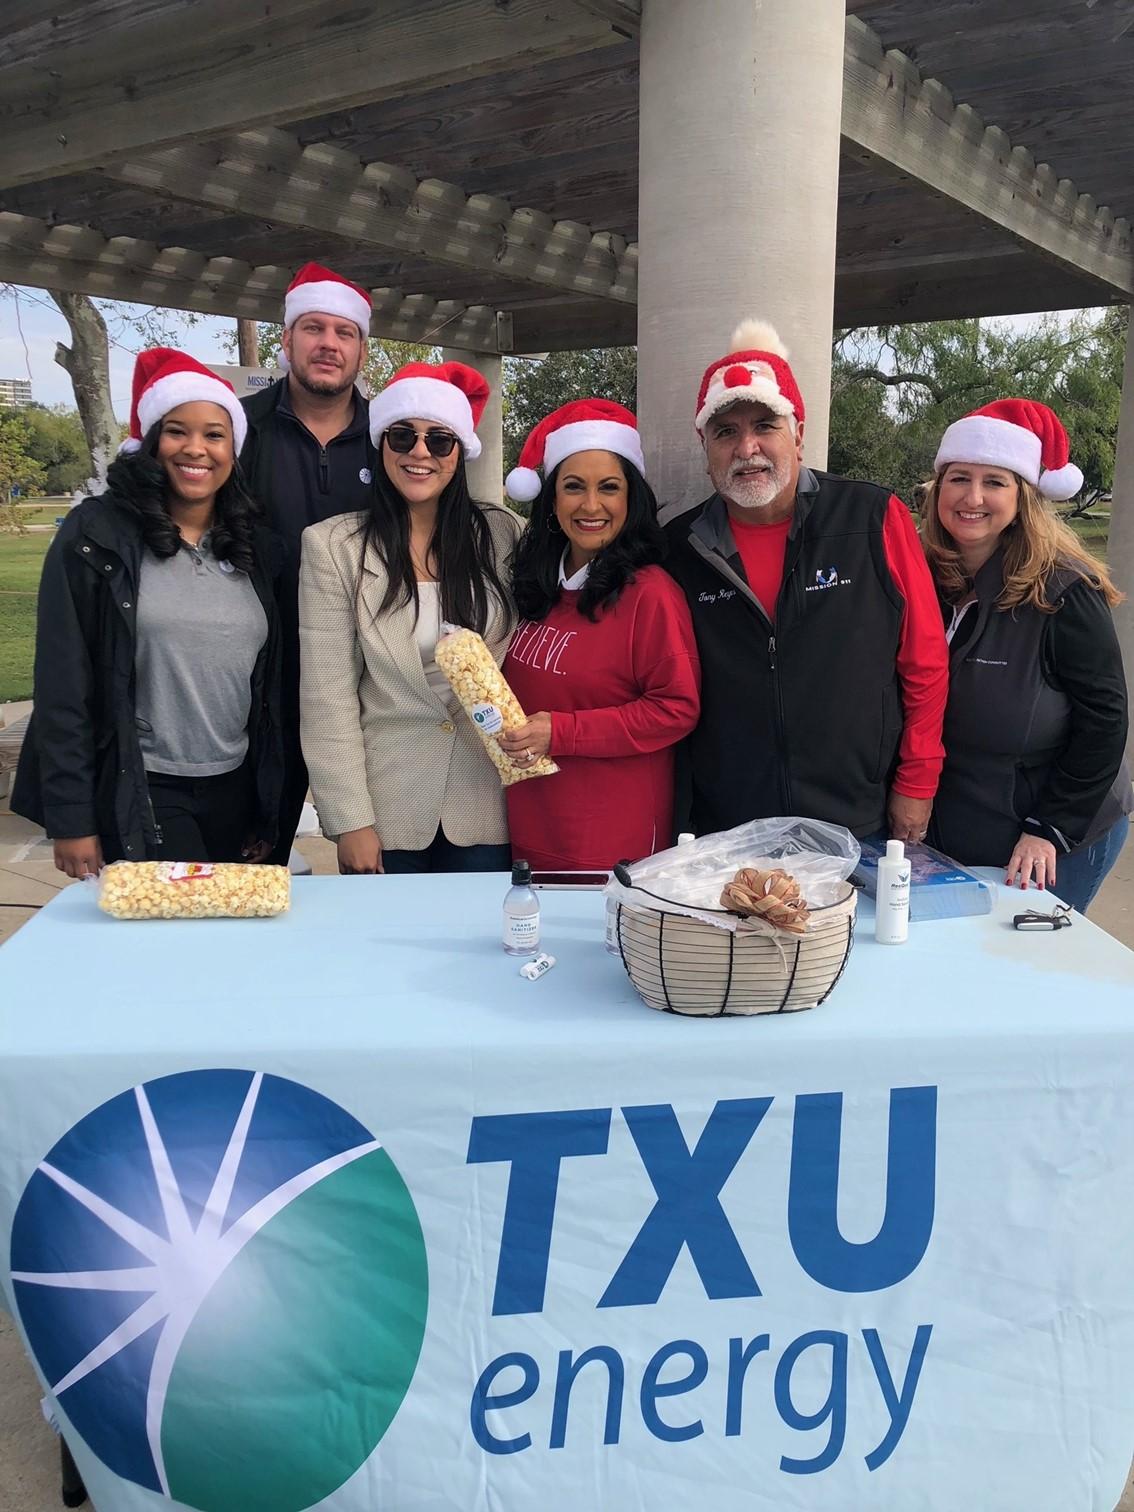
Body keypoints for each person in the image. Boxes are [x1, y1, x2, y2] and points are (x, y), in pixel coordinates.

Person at [663, 318, 949, 843]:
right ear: (706, 451)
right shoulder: (678, 548)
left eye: (765, 426)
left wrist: (918, 782)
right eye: (726, 432)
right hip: (729, 822)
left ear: (798, 435)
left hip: (857, 813)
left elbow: (924, 663)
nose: (747, 448)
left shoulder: (871, 516)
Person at [13, 350, 284, 874]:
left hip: (233, 786)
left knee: (231, 940)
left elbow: (269, 687)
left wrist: (266, 806)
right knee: (175, 943)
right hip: (143, 784)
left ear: (234, 449)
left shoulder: (258, 550)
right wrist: (72, 819)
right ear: (153, 441)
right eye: (178, 431)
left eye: (214, 435)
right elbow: (63, 684)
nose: (196, 449)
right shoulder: (97, 536)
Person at [299, 360, 523, 874]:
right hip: (387, 806)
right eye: (403, 436)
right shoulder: (333, 547)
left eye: (439, 440)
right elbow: (326, 696)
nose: (420, 452)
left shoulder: (505, 535)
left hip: (487, 796)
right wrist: (349, 819)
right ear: (382, 445)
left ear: (460, 452)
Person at [922, 399, 1130, 911]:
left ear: (1024, 498)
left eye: (995, 481)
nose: (973, 497)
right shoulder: (920, 580)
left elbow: (1104, 721)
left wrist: (1050, 828)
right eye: (959, 478)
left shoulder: (1063, 591)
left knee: (1029, 972)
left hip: (1050, 834)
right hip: (957, 820)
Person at [497, 401, 700, 871]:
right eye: (573, 487)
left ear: (631, 499)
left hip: (611, 838)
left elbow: (677, 709)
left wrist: (563, 732)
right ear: (551, 500)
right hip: (531, 820)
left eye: (609, 488)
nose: (591, 506)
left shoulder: (650, 594)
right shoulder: (538, 586)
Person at [240, 262, 376, 863]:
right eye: (313, 328)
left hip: (367, 682)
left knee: (373, 857)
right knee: (248, 861)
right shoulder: (238, 429)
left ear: (362, 349)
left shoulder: (395, 439)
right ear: (287, 339)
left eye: (343, 333)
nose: (328, 344)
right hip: (255, 682)